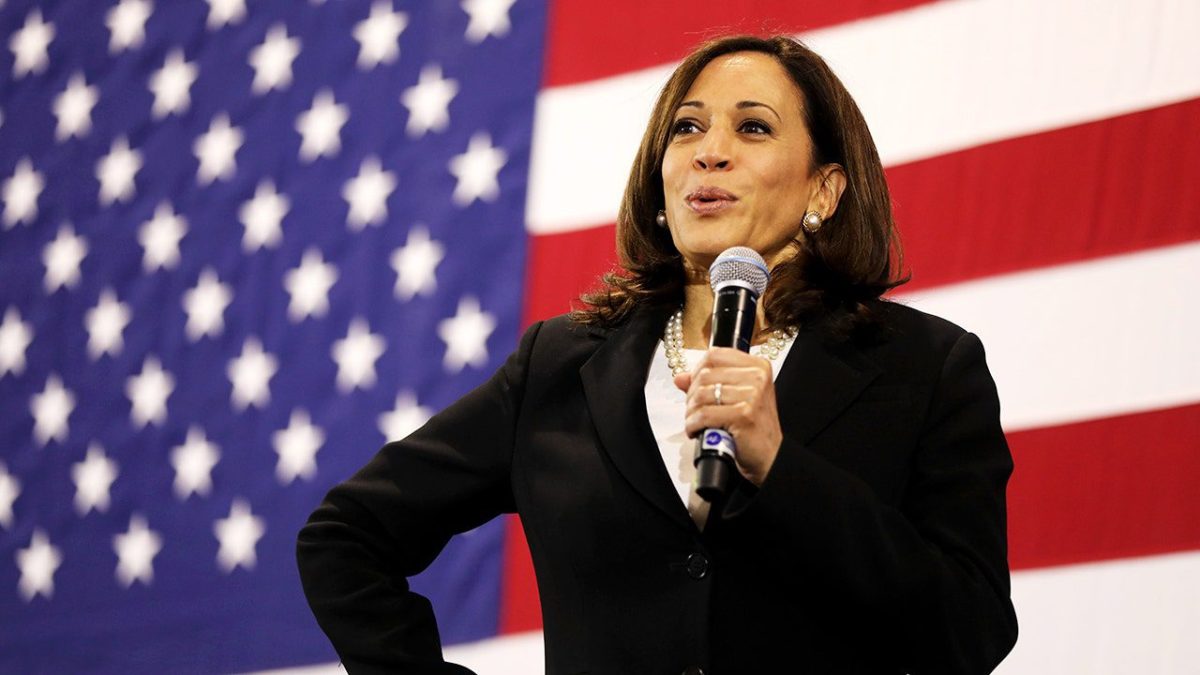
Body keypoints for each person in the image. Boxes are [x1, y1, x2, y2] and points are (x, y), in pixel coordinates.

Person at [297, 35, 1018, 674]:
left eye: (753, 127)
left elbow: (971, 630)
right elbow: (345, 537)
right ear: (661, 182)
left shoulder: (924, 368)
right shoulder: (560, 367)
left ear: (823, 191)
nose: (710, 151)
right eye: (687, 127)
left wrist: (781, 469)